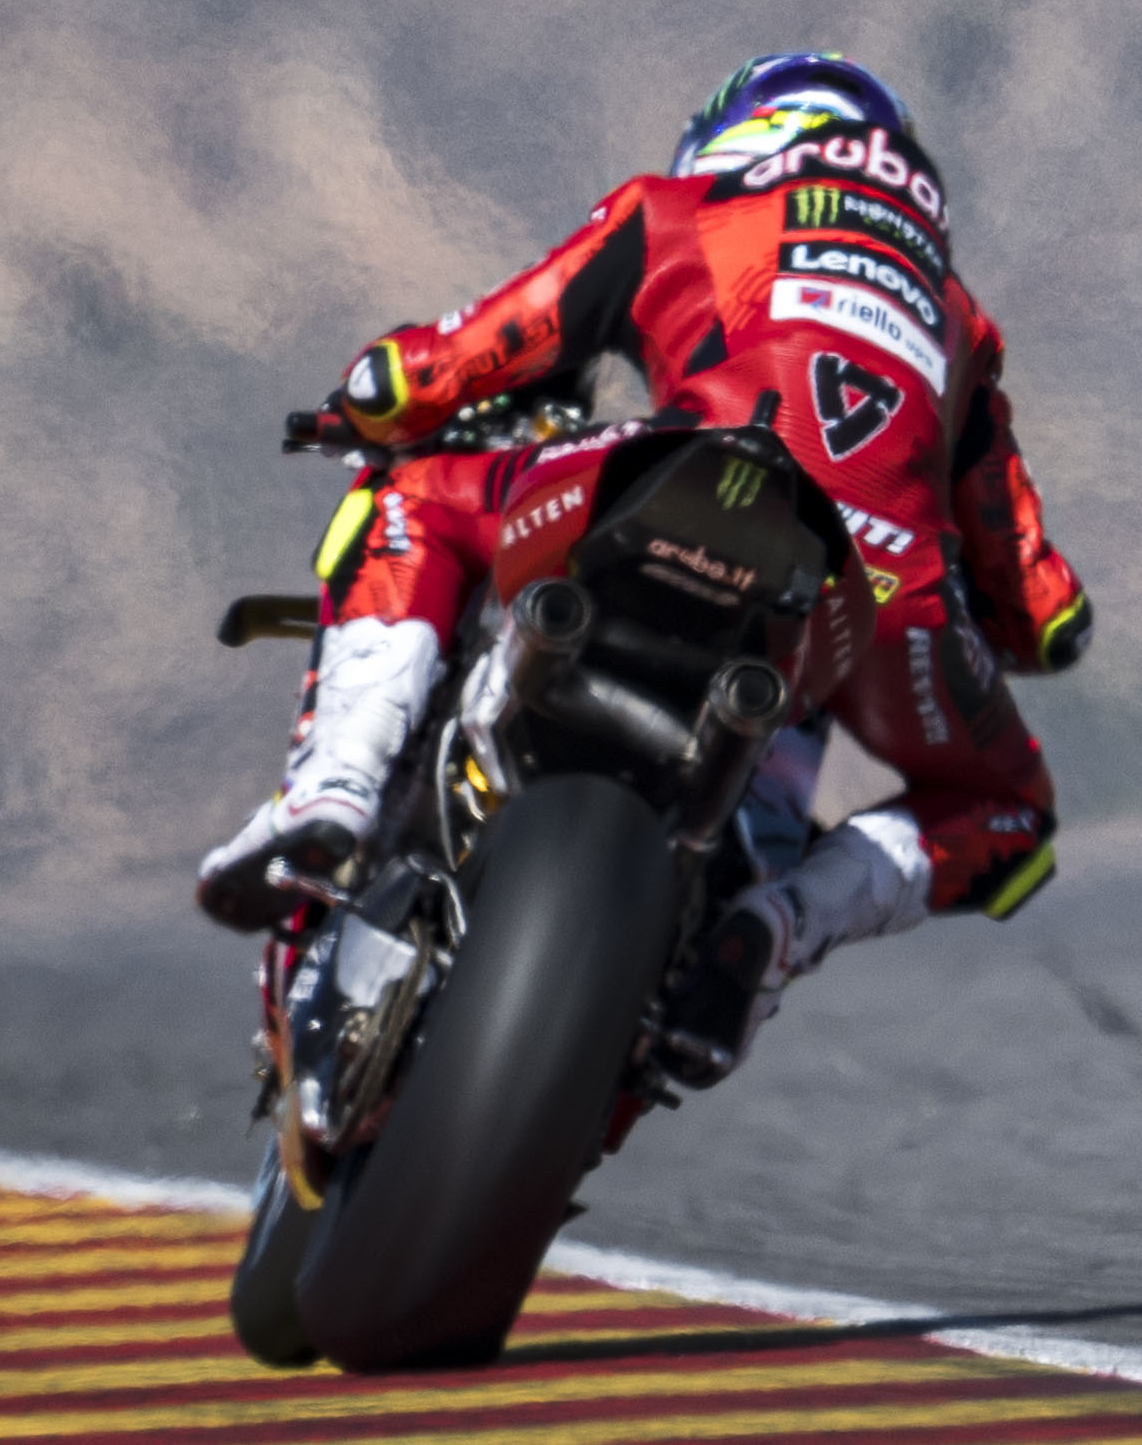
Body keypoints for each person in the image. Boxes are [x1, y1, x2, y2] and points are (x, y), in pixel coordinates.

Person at [194, 53, 1090, 1069]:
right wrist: (1009, 625)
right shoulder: (959, 319)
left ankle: (337, 787)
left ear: (740, 133)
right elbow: (1042, 612)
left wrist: (357, 402)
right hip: (878, 593)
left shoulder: (675, 209)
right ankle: (781, 926)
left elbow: (432, 372)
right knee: (1012, 814)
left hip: (679, 475)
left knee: (415, 496)